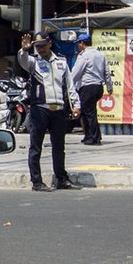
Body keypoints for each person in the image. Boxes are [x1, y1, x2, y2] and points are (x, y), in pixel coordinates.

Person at [17, 31, 82, 192]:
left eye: (43, 45)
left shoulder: (61, 62)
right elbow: (22, 60)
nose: (41, 49)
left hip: (58, 109)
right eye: (37, 46)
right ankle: (37, 182)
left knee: (59, 146)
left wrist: (76, 105)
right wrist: (24, 50)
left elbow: (70, 86)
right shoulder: (33, 62)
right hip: (40, 109)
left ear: (50, 44)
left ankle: (61, 178)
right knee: (36, 146)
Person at [70, 32, 113, 146]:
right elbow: (107, 72)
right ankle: (88, 135)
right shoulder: (100, 55)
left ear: (82, 43)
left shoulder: (84, 56)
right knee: (86, 112)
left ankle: (95, 138)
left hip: (87, 86)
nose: (78, 46)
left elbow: (76, 72)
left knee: (89, 113)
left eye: (79, 43)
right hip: (98, 87)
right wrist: (109, 86)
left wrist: (69, 83)